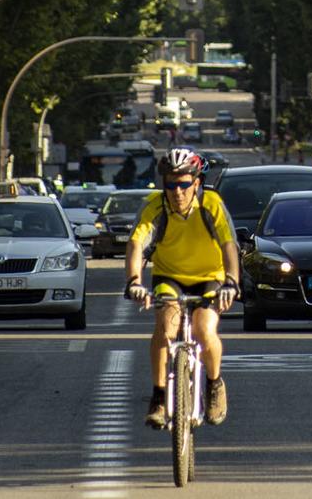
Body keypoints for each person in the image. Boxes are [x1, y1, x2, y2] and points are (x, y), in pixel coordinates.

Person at [125, 147, 239, 429]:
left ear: (196, 182)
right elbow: (136, 244)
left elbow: (229, 245)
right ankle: (159, 397)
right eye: (171, 185)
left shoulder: (211, 203)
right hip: (169, 277)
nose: (177, 192)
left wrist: (231, 282)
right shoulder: (155, 206)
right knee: (165, 329)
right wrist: (134, 281)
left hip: (210, 276)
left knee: (203, 331)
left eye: (184, 184)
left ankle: (214, 385)